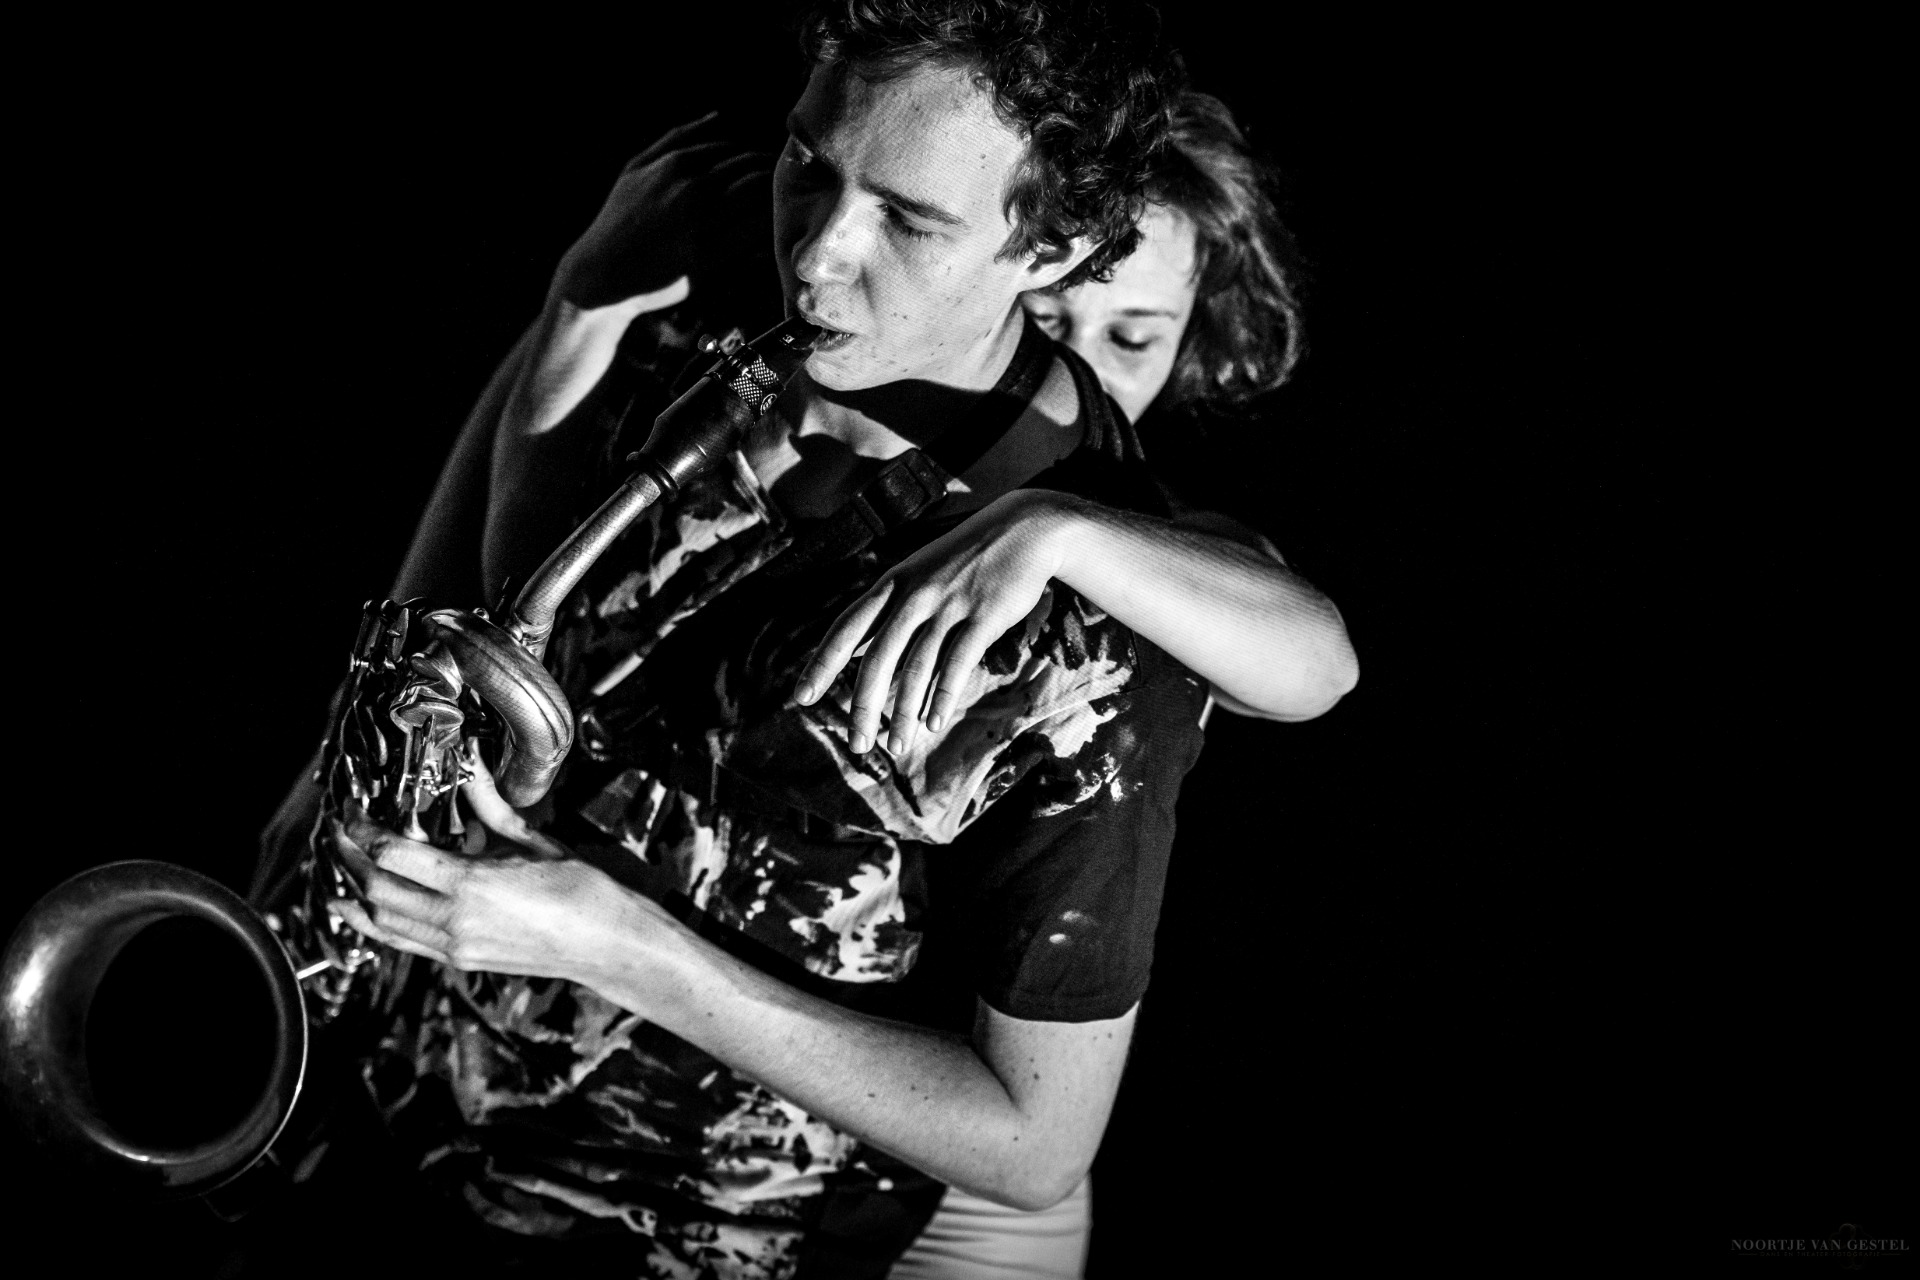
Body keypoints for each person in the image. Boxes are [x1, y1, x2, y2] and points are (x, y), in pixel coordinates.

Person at [251, 6, 1350, 1278]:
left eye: (910, 221)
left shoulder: (1094, 628)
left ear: (1052, 251)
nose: (818, 255)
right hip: (400, 1128)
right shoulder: (699, 305)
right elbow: (507, 603)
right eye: (809, 166)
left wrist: (623, 950)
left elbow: (1032, 1142)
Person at [873, 90, 1350, 1278]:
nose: (1079, 368)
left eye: (1134, 337)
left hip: (973, 1196)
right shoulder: (861, 458)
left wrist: (1058, 526)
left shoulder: (1163, 547)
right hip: (743, 1147)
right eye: (1048, 317)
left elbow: (1319, 665)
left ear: (1191, 340)